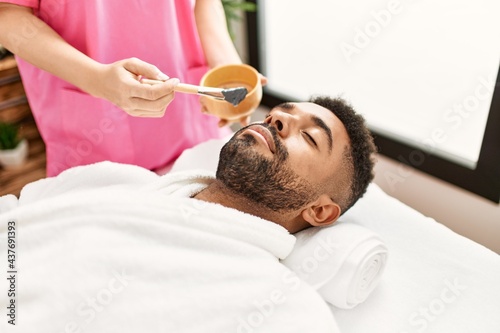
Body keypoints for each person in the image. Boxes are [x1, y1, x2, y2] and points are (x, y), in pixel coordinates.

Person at [0, 96, 375, 332]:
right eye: (279, 114)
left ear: (320, 211)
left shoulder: (283, 307)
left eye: (309, 137)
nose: (277, 120)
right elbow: (13, 221)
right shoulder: (114, 178)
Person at [0, 0, 259, 177]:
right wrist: (96, 79)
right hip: (94, 142)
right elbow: (8, 15)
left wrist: (226, 68)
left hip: (193, 126)